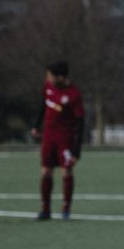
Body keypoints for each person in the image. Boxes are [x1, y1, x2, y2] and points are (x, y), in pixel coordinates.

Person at [29, 61, 84, 221]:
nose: (48, 79)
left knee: (66, 171)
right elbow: (43, 105)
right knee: (46, 171)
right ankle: (45, 210)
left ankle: (66, 208)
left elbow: (80, 122)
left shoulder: (74, 95)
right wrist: (36, 125)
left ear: (61, 77)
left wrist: (76, 151)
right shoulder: (48, 87)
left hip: (65, 139)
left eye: (51, 76)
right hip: (48, 137)